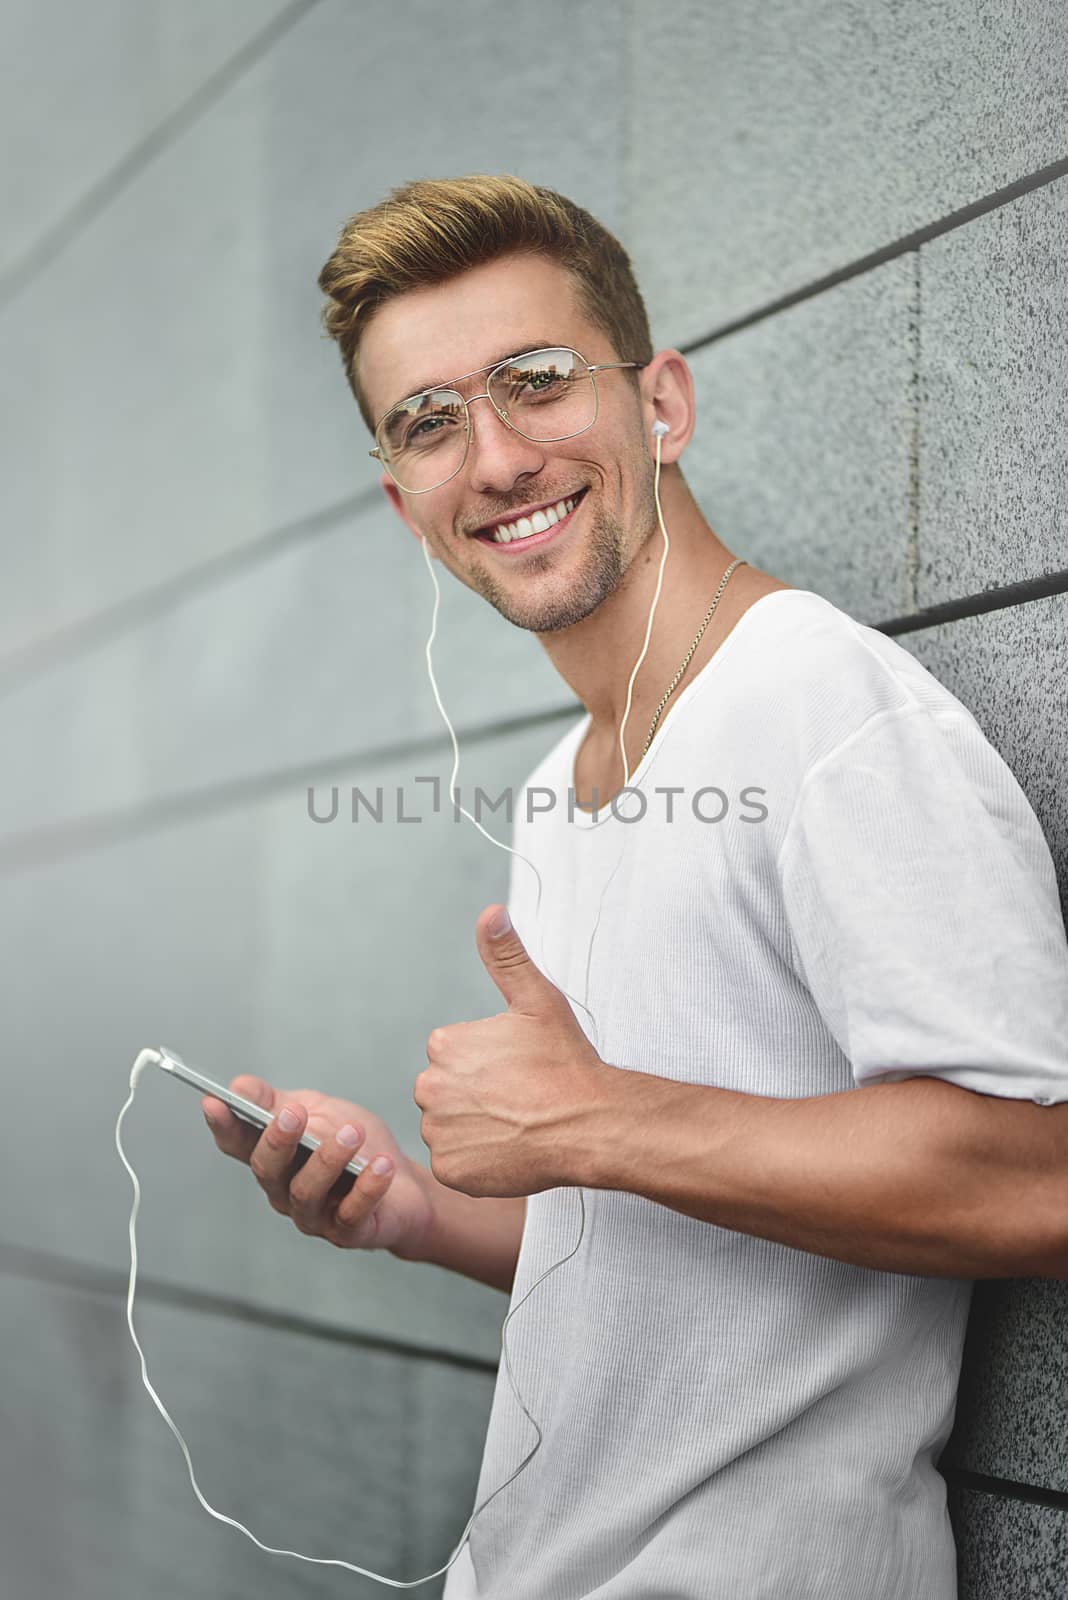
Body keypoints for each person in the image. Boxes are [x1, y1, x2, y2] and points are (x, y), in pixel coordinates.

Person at [201, 174, 1068, 1599]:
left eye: (536, 381)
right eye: (429, 422)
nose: (494, 459)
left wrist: (594, 1120)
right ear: (404, 502)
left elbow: (1038, 1179)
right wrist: (415, 1214)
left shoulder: (823, 706)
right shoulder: (561, 785)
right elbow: (653, 1238)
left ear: (659, 405)